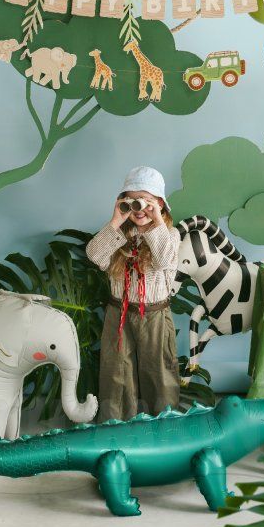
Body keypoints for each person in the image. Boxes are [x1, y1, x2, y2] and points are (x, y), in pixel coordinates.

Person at [86, 166, 180, 421]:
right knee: (116, 374)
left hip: (155, 314)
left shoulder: (170, 235)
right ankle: (115, 425)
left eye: (146, 202)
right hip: (119, 312)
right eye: (132, 201)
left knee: (159, 372)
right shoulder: (119, 234)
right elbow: (94, 255)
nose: (139, 209)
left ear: (160, 203)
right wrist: (116, 221)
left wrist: (156, 219)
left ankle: (164, 426)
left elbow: (164, 260)